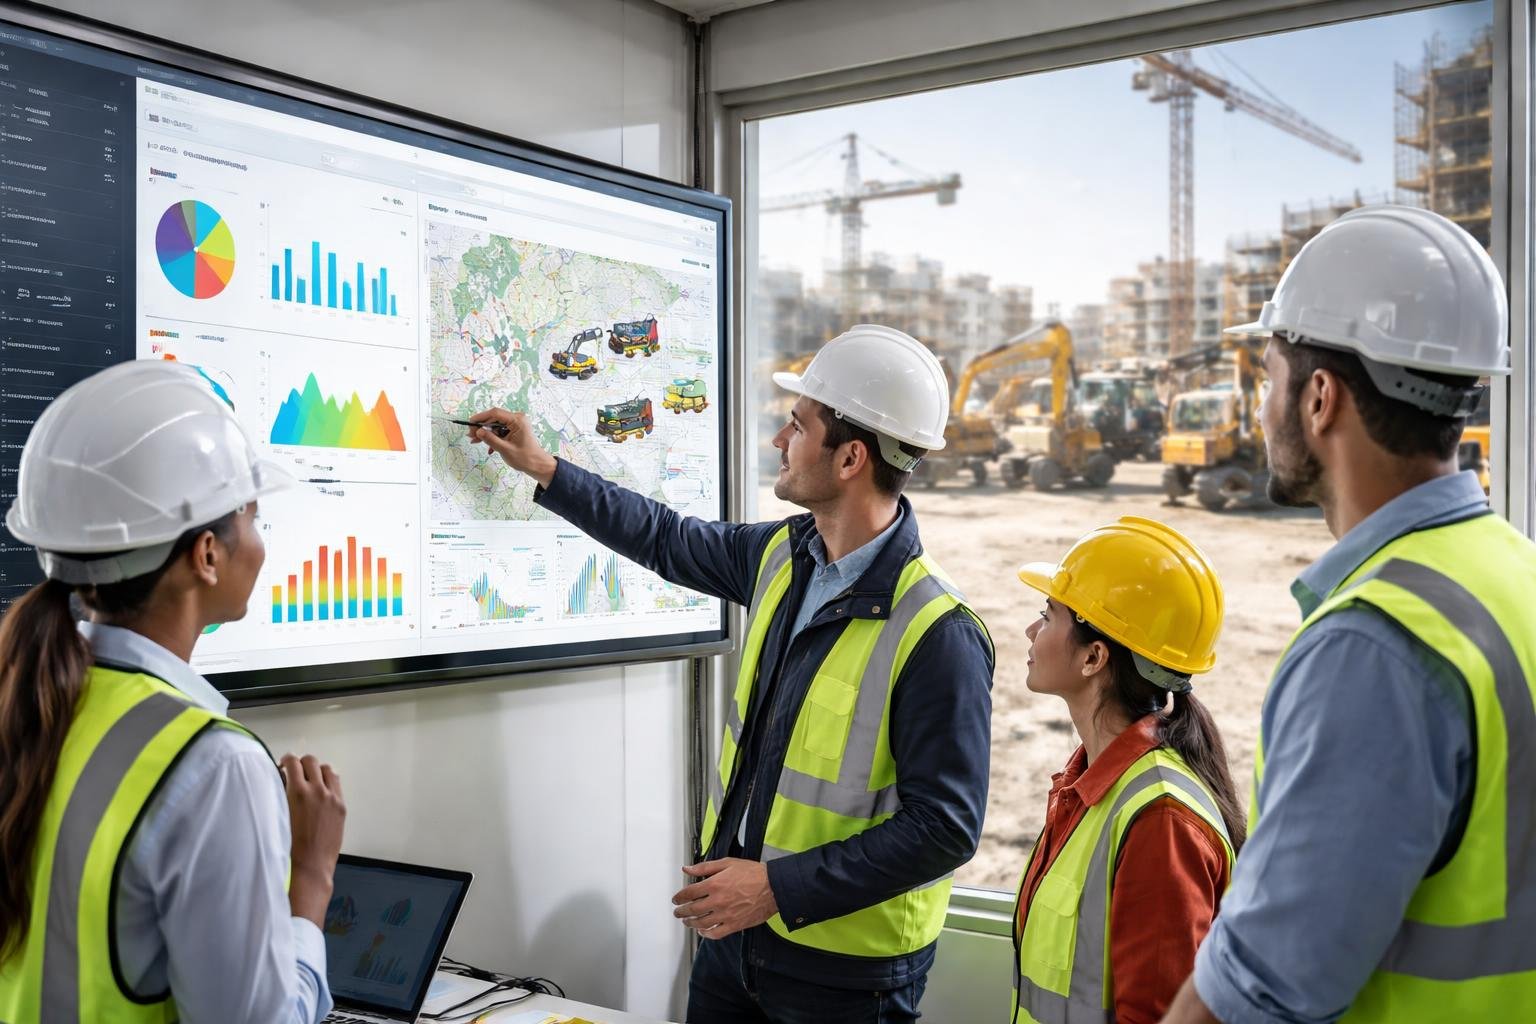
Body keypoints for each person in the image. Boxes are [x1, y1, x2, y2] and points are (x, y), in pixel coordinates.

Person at [468, 324, 994, 1024]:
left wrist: (778, 888)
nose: (781, 439)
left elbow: (944, 829)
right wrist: (545, 469)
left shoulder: (938, 633)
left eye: (799, 425)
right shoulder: (785, 555)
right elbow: (664, 537)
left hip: (846, 981)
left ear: (850, 460)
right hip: (734, 945)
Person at [1161, 205, 1536, 1023]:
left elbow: (1258, 988)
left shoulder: (1375, 646)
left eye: (1267, 379)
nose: (1261, 408)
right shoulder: (1515, 571)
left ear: (1320, 397)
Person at [0, 361, 347, 1023]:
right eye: (253, 517)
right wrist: (311, 877)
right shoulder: (215, 767)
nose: (262, 544)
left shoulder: (26, 698)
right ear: (207, 554)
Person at [1012, 517, 1242, 1024]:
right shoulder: (1093, 783)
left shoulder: (1161, 821)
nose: (1031, 630)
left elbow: (1157, 1012)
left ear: (1094, 656)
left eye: (1048, 615)